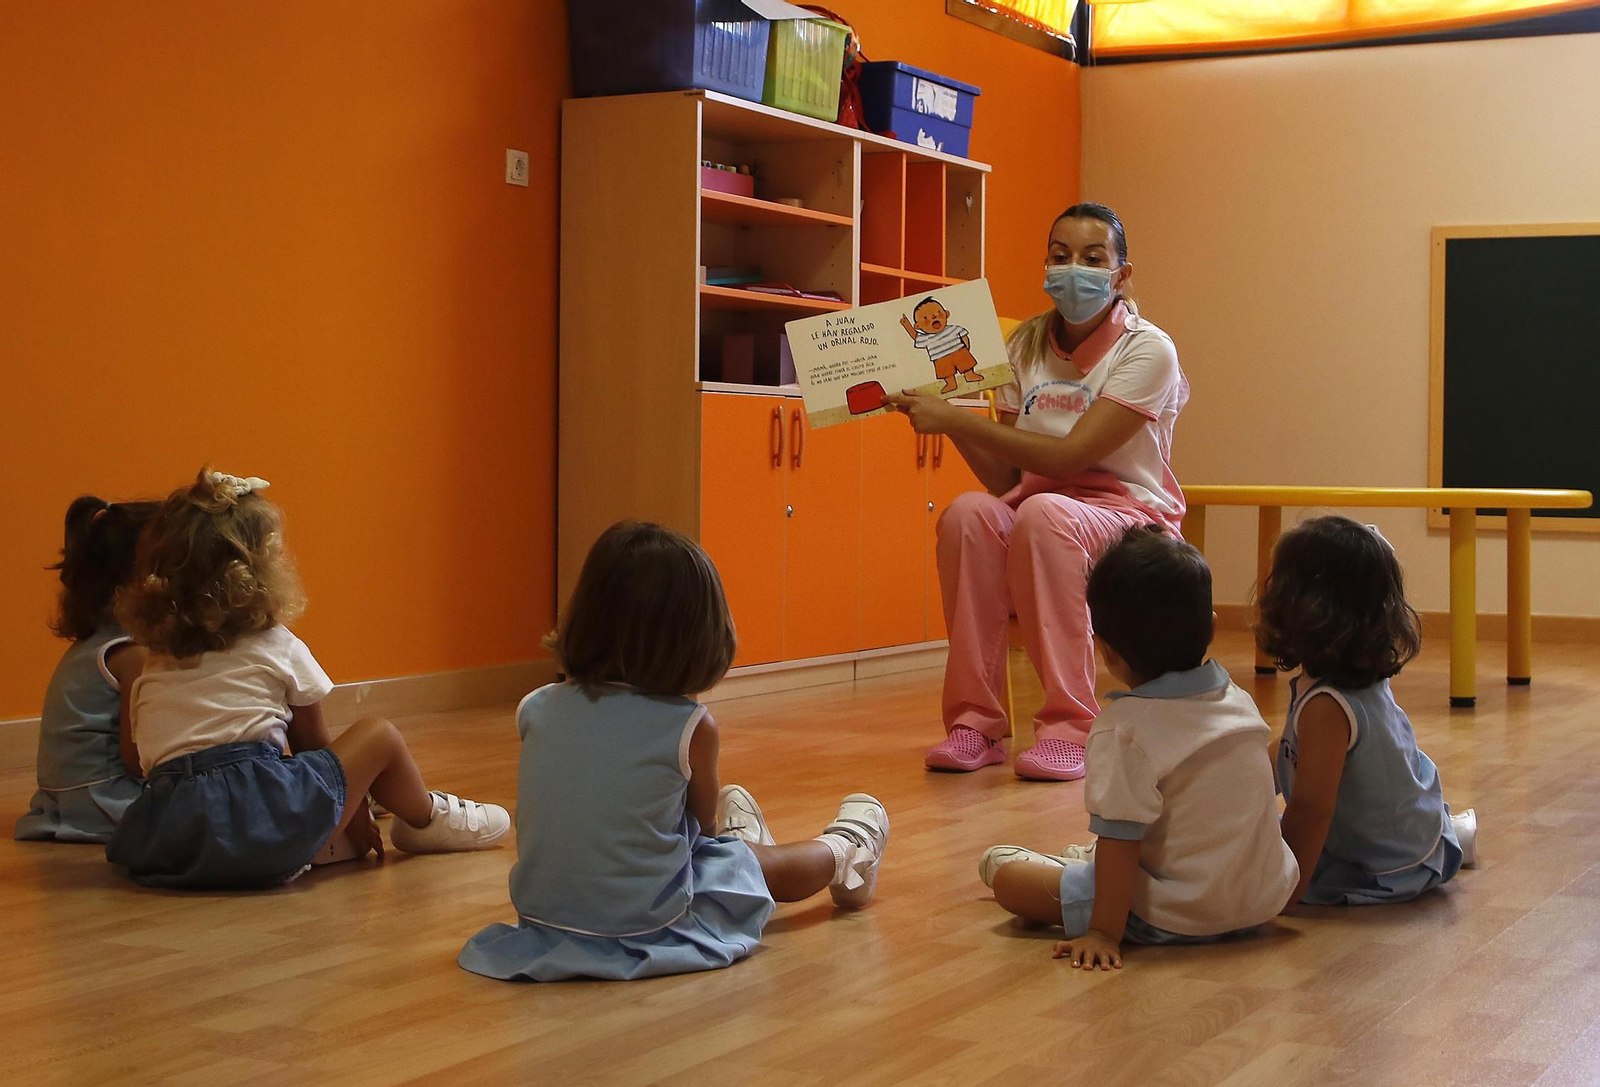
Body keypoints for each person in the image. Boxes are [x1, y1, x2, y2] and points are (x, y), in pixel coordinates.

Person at [459, 521, 890, 982]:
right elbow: (702, 823)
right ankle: (848, 852)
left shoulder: (536, 707)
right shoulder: (690, 726)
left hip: (543, 924)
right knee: (741, 862)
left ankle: (760, 841)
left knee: (711, 851)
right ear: (695, 638)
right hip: (648, 929)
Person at [888, 203, 1190, 781]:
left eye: (1092, 258)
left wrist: (956, 420)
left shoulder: (1149, 349)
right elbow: (1007, 479)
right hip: (1043, 509)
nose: (1073, 269)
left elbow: (1070, 457)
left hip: (1128, 515)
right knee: (968, 515)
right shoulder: (1022, 346)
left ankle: (1069, 728)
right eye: (1060, 256)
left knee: (1045, 513)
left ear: (1121, 275)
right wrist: (950, 416)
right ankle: (975, 723)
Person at [105, 469, 508, 889]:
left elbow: (141, 761)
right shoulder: (277, 643)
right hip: (257, 828)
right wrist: (352, 814)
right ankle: (426, 819)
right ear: (261, 572)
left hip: (172, 840)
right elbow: (314, 743)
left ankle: (304, 842)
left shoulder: (154, 660)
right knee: (378, 735)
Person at [981, 527, 1297, 970]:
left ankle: (1049, 867)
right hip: (1261, 901)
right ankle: (1077, 865)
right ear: (1211, 627)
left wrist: (1103, 932)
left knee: (1010, 880)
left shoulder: (1123, 729)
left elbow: (1120, 838)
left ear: (1107, 651)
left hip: (1178, 914)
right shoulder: (1240, 702)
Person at [1259, 516, 1477, 906]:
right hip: (1404, 825)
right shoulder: (1343, 678)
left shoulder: (1328, 706)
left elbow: (1310, 810)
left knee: (1254, 850)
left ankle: (1432, 848)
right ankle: (1443, 837)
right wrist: (1240, 778)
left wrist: (1280, 893)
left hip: (1384, 863)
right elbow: (1291, 749)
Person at [15, 496, 157, 843]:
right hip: (107, 800)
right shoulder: (132, 655)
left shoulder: (94, 644)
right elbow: (136, 760)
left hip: (63, 801)